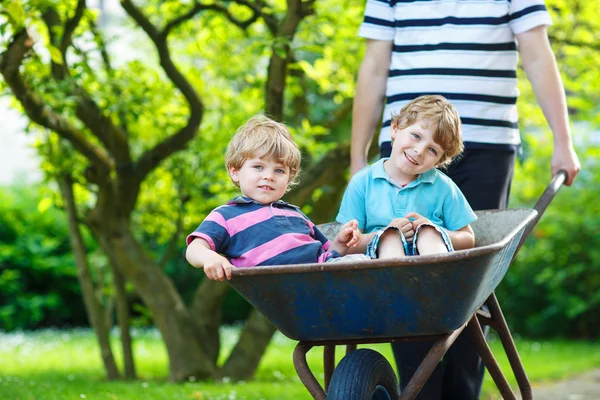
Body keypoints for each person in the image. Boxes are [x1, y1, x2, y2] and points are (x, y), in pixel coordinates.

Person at [350, 1, 581, 398]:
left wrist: (563, 141)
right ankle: (420, 392)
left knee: (471, 280)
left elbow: (537, 54)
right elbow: (373, 67)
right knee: (404, 270)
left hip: (485, 146)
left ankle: (463, 393)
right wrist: (358, 155)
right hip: (406, 150)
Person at [186, 115, 362, 281]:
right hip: (278, 286)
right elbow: (194, 249)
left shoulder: (295, 214)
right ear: (235, 171)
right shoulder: (226, 216)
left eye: (279, 170)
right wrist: (210, 258)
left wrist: (340, 242)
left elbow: (327, 257)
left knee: (363, 261)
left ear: (289, 178)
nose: (269, 176)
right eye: (258, 167)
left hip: (321, 277)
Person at [337, 95, 476, 263]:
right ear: (395, 128)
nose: (419, 151)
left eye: (432, 150)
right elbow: (346, 245)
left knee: (428, 232)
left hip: (430, 260)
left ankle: (437, 280)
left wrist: (436, 229)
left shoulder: (443, 188)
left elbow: (468, 238)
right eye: (416, 136)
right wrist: (387, 232)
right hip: (381, 266)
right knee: (390, 238)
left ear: (438, 162)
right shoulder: (363, 182)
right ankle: (396, 284)